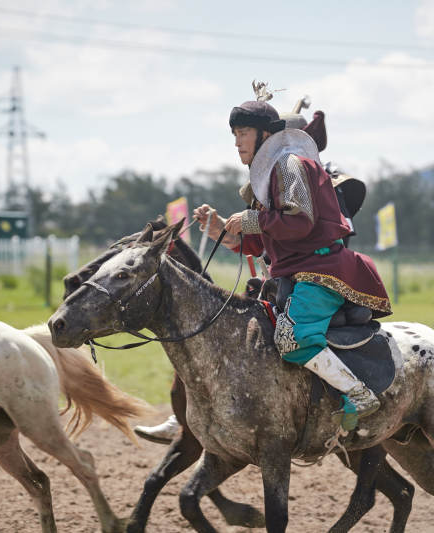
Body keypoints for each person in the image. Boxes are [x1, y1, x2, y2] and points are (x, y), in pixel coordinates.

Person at [135, 97, 388, 441]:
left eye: (243, 133)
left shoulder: (291, 166)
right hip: (292, 275)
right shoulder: (269, 176)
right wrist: (220, 229)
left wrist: (250, 219)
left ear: (265, 134)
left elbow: (299, 221)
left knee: (292, 339)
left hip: (322, 271)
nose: (237, 142)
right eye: (234, 134)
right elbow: (258, 243)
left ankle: (358, 393)